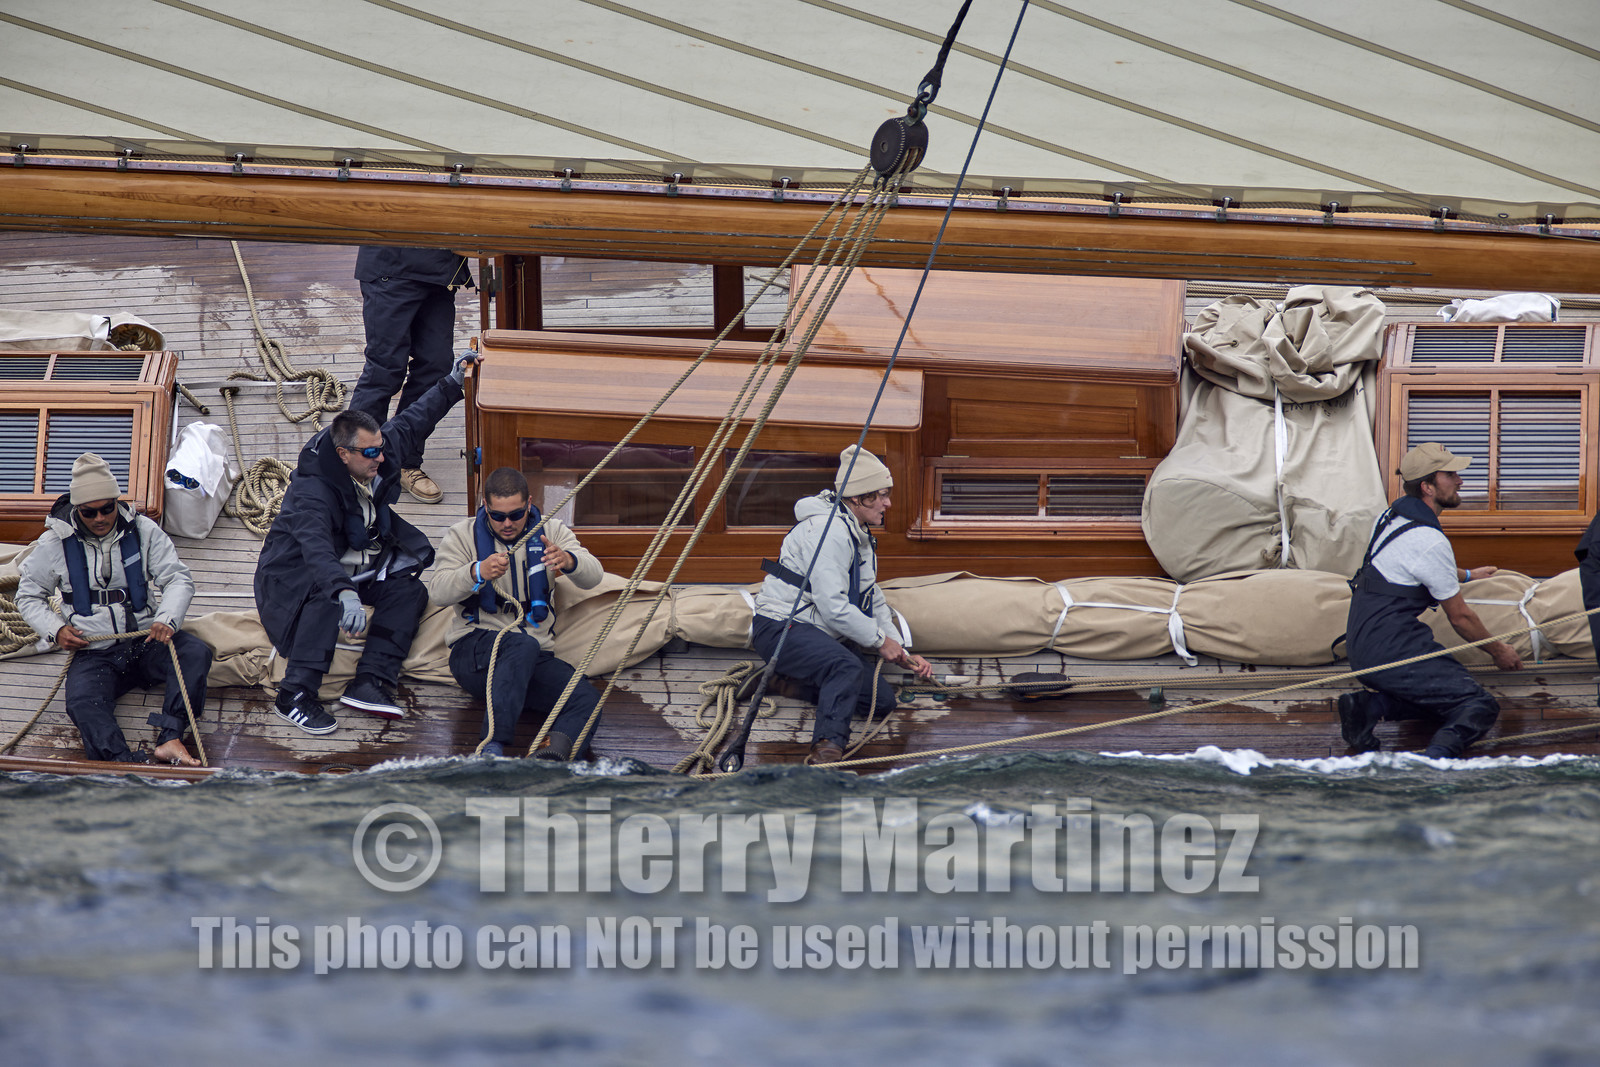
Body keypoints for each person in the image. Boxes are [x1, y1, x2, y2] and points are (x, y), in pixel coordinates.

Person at [254, 353, 474, 734]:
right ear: (344, 454)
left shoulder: (374, 454)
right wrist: (344, 593)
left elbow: (414, 420)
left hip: (357, 565)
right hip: (296, 578)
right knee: (326, 597)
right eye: (371, 453)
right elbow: (316, 549)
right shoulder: (311, 493)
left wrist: (453, 383)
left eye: (381, 448)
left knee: (409, 591)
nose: (381, 458)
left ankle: (371, 680)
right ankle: (294, 694)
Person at [15, 453, 210, 765]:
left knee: (196, 653)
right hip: (94, 650)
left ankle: (171, 737)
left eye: (107, 508)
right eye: (89, 512)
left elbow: (177, 579)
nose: (100, 518)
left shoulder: (144, 531)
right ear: (77, 509)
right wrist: (56, 630)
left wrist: (167, 618)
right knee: (82, 703)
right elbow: (28, 597)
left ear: (116, 502)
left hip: (145, 639)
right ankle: (122, 763)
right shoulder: (53, 544)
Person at [747, 445, 933, 766]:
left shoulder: (855, 529)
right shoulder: (829, 532)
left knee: (881, 702)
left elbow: (871, 596)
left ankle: (783, 682)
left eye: (887, 494)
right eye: (882, 495)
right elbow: (832, 606)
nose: (888, 503)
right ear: (858, 498)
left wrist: (899, 650)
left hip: (821, 632)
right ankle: (827, 749)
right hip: (782, 627)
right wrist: (880, 642)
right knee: (844, 666)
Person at [1339, 442, 1523, 758]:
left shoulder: (1389, 518)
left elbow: (1411, 564)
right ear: (1427, 486)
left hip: (1362, 645)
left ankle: (1369, 706)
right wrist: (1499, 651)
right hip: (1393, 650)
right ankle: (1434, 763)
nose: (1460, 481)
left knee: (1441, 700)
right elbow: (1460, 617)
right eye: (1450, 475)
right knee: (1477, 704)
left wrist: (1467, 575)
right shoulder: (1429, 540)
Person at [427, 467, 605, 760]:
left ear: (529, 503)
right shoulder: (462, 535)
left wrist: (569, 560)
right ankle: (492, 748)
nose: (507, 523)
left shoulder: (552, 531)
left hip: (533, 657)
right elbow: (437, 592)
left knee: (585, 696)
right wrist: (476, 572)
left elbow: (594, 576)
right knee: (522, 644)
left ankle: (552, 756)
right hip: (475, 654)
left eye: (516, 514)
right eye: (498, 516)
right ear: (486, 506)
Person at [349, 245, 474, 505]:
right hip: (393, 269)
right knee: (384, 370)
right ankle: (355, 465)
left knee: (436, 365)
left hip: (440, 273)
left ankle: (404, 461)